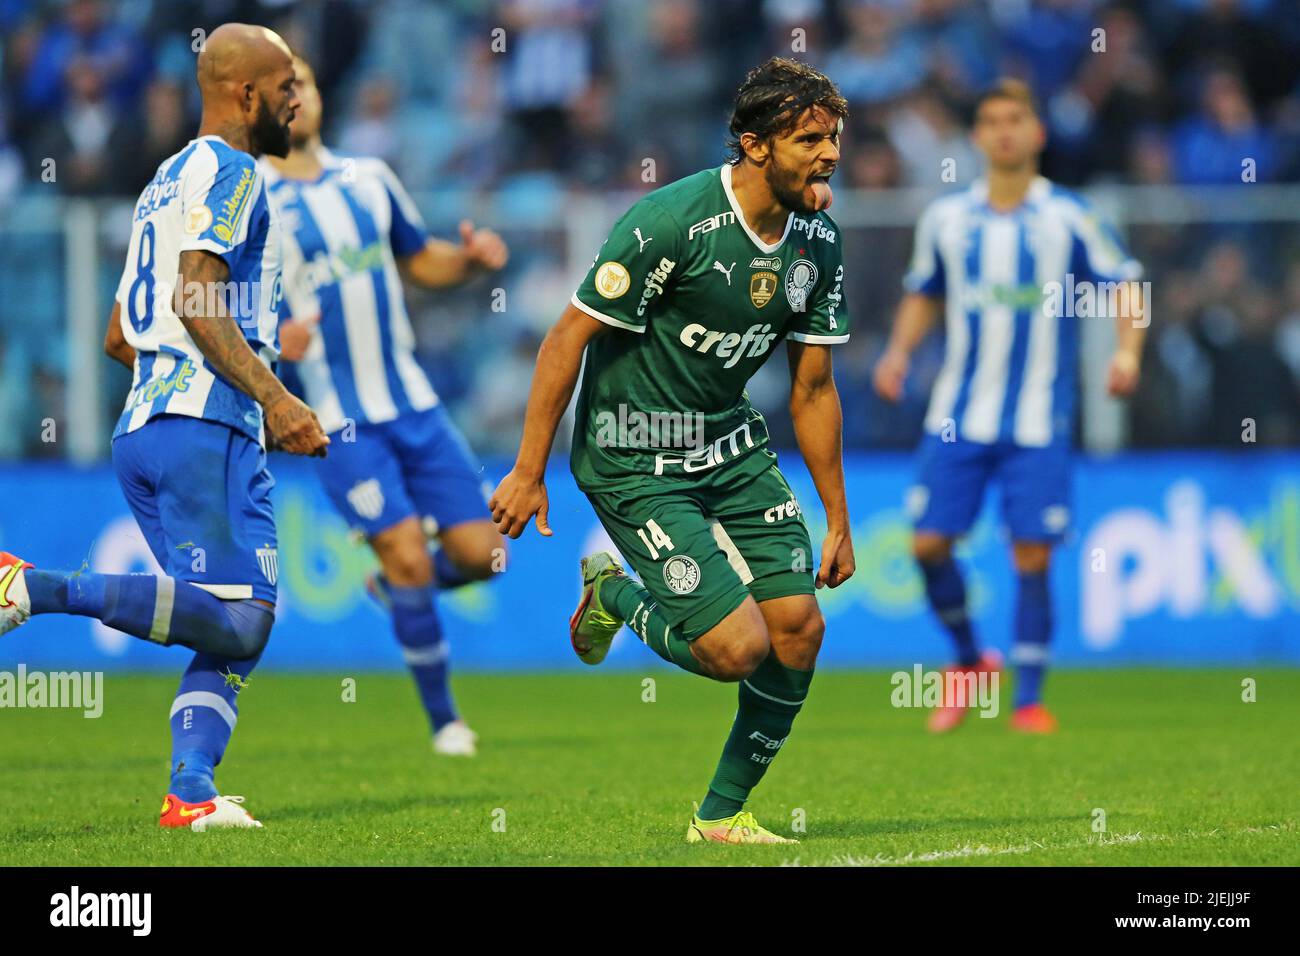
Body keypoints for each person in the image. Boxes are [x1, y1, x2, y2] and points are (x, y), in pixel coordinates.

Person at [491, 57, 855, 844]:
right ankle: (613, 596)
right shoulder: (671, 223)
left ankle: (719, 819)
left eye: (832, 138)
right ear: (755, 146)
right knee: (735, 650)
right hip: (632, 454)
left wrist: (839, 518)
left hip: (729, 446)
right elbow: (566, 339)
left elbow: (815, 389)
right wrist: (529, 469)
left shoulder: (818, 239)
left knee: (799, 628)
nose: (829, 154)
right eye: (809, 139)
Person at [0, 24, 328, 828]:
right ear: (245, 94)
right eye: (284, 86)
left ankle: (191, 793)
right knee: (245, 617)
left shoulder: (163, 182)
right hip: (203, 424)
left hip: (144, 425)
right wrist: (274, 396)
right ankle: (32, 586)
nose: (298, 100)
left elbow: (120, 334)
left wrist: (194, 369)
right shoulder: (235, 172)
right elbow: (194, 298)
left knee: (230, 625)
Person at [873, 79, 1146, 734]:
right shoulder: (947, 218)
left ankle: (1028, 701)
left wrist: (1128, 352)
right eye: (991, 120)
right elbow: (923, 291)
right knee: (928, 542)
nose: (1003, 131)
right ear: (976, 137)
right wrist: (898, 352)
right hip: (958, 411)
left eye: (1015, 120)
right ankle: (970, 661)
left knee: (1032, 553)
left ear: (1037, 134)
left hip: (1037, 417)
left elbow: (1127, 282)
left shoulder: (1069, 216)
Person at [263, 56, 509, 756]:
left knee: (486, 555)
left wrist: (467, 262)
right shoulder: (253, 200)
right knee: (407, 554)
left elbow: (417, 259)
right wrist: (269, 340)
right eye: (280, 89)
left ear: (317, 96)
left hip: (416, 405)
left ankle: (397, 586)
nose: (295, 97)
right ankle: (446, 724)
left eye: (302, 84)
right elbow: (226, 307)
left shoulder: (368, 179)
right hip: (338, 420)